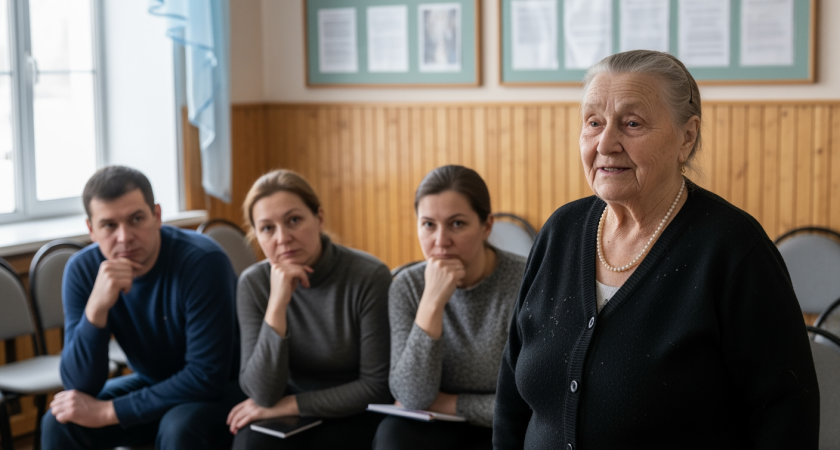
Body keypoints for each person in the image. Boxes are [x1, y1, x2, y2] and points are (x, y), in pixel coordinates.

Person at [493, 50, 820, 449]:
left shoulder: (734, 250)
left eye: (632, 123)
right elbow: (511, 396)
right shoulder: (561, 230)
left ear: (687, 137)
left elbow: (786, 418)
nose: (606, 143)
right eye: (593, 123)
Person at [42, 166, 243, 450]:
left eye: (136, 219)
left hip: (226, 387)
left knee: (179, 427)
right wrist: (96, 310)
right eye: (109, 225)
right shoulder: (82, 270)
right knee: (60, 420)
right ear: (92, 230)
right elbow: (78, 383)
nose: (124, 237)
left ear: (156, 216)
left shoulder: (202, 261)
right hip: (156, 382)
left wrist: (108, 413)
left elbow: (206, 377)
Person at [227, 169, 392, 450]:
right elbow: (261, 393)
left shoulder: (368, 275)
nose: (283, 238)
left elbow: (377, 387)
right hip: (281, 409)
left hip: (353, 412)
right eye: (268, 228)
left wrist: (290, 406)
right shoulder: (254, 283)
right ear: (257, 235)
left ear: (319, 218)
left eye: (294, 220)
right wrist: (277, 305)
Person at [373, 165, 527, 450]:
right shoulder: (407, 286)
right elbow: (411, 396)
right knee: (393, 435)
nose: (440, 241)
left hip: (502, 427)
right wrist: (432, 301)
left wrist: (450, 403)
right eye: (428, 224)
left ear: (486, 226)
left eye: (457, 224)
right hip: (432, 426)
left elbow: (528, 404)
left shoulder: (525, 282)